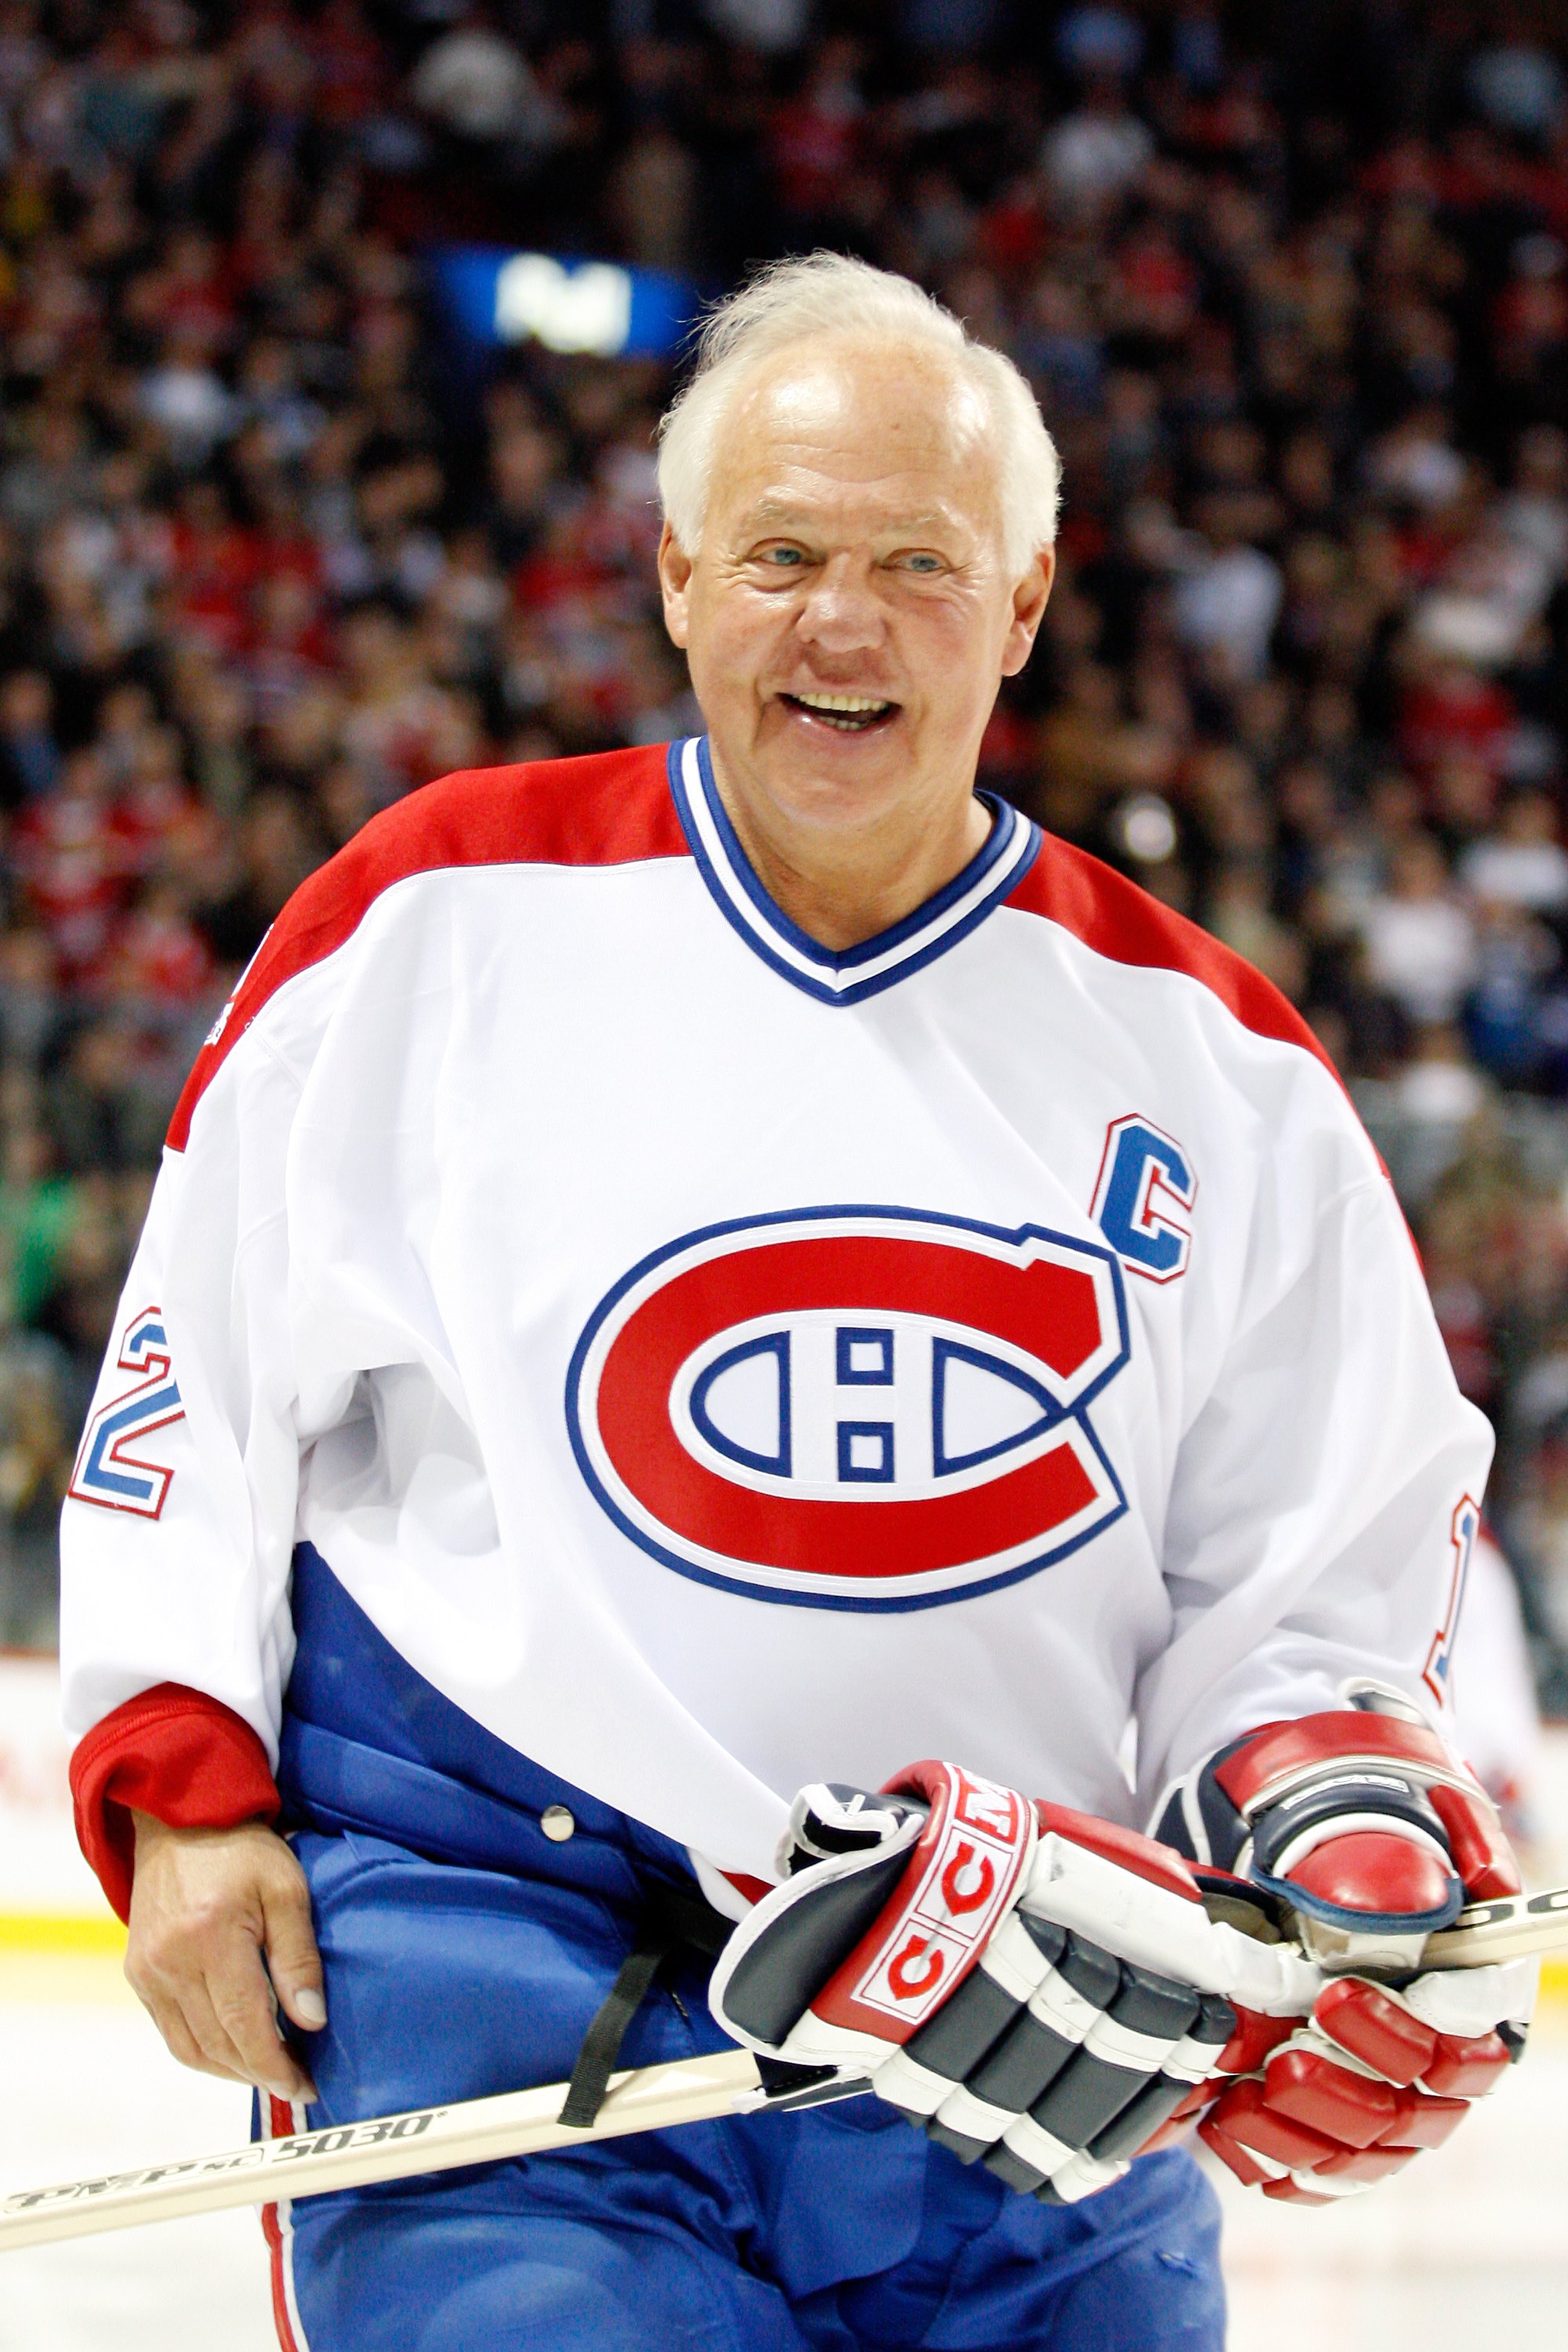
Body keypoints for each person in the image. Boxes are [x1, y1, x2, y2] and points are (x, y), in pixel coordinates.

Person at [59, 256, 1531, 2352]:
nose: (839, 624)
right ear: (675, 579)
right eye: (780, 557)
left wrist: (1336, 1824)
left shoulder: (1220, 1070)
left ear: (1020, 609)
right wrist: (181, 1790)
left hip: (1019, 2032)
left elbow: (1322, 1571)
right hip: (504, 1969)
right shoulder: (432, 925)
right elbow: (184, 1386)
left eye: (917, 563)